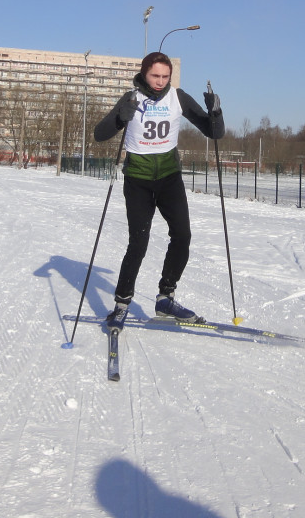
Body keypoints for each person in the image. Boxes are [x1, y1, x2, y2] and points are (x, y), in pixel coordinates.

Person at [93, 51, 225, 326]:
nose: (160, 81)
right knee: (138, 242)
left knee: (182, 236)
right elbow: (100, 134)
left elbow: (213, 132)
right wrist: (120, 118)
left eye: (165, 76)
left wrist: (215, 112)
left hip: (169, 177)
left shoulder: (177, 97)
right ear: (144, 73)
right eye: (155, 75)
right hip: (138, 179)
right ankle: (122, 302)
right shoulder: (131, 98)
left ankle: (166, 298)